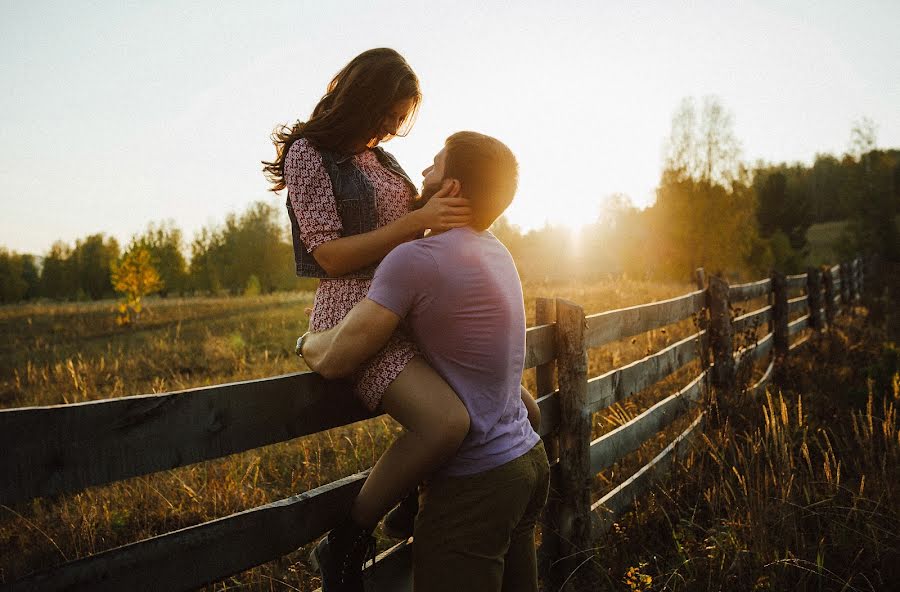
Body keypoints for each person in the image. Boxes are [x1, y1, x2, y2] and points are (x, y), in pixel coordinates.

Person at [300, 131, 550, 592]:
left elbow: (338, 359)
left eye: (435, 166)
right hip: (528, 462)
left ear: (451, 188)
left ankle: (348, 540)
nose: (422, 173)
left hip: (478, 481)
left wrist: (307, 342)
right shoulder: (497, 252)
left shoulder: (415, 259)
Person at [262, 49, 475, 591]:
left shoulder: (380, 159)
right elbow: (329, 255)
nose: (392, 128)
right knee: (444, 421)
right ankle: (348, 539)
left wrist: (448, 205)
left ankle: (415, 499)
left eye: (400, 119)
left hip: (409, 306)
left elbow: (415, 224)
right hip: (356, 312)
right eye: (389, 113)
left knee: (501, 403)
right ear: (365, 97)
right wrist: (415, 225)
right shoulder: (310, 154)